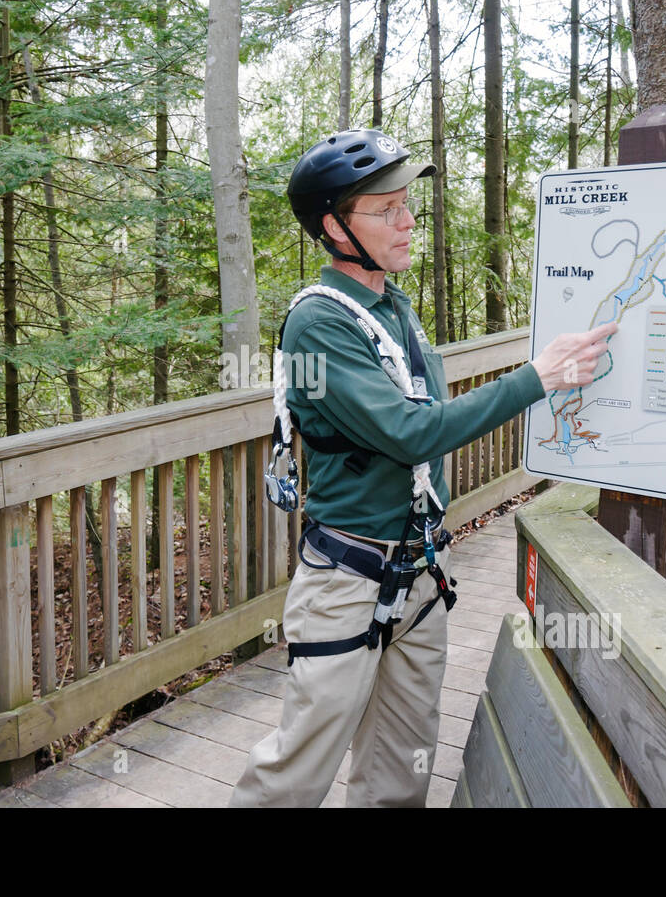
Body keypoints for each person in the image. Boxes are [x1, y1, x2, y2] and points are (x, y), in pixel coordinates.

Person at [230, 128, 616, 807]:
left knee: (401, 773)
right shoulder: (320, 324)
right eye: (386, 209)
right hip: (348, 581)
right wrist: (536, 377)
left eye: (409, 204)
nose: (408, 221)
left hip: (419, 575)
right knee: (293, 776)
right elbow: (412, 433)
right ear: (333, 225)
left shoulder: (391, 308)